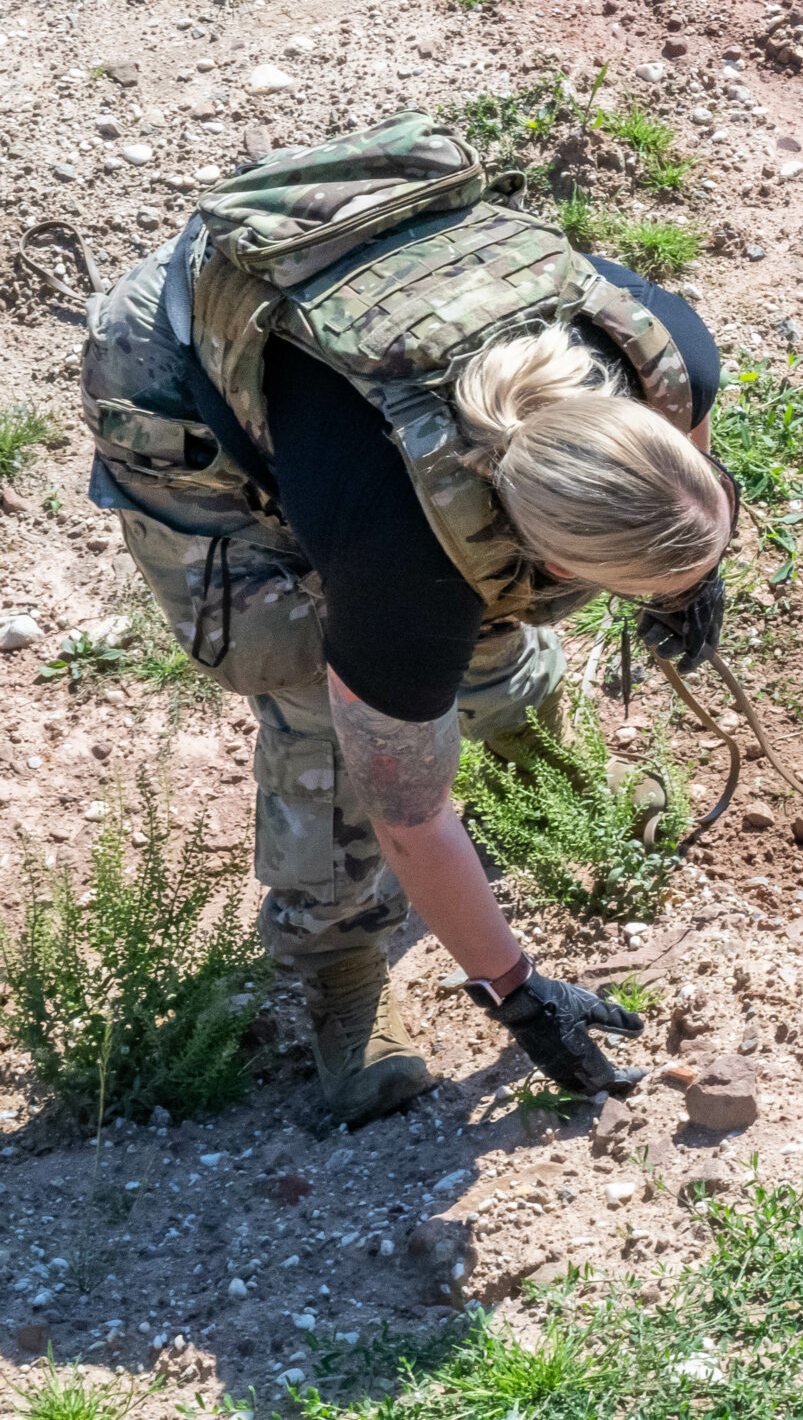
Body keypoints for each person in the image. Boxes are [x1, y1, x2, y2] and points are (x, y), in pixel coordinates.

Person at [78, 112, 732, 1122]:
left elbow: (666, 476)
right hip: (177, 376)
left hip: (362, 325)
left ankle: (534, 754)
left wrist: (692, 571)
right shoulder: (405, 568)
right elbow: (409, 811)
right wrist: (516, 993)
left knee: (483, 609)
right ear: (554, 553)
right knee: (309, 687)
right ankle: (339, 968)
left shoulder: (666, 355)